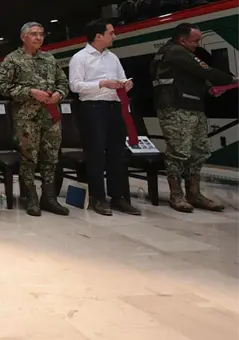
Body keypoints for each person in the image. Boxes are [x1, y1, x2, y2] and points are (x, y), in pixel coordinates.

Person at [151, 23, 236, 212]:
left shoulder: (178, 54)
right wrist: (231, 80)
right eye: (195, 41)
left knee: (199, 151)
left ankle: (194, 194)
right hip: (176, 108)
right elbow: (203, 70)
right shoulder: (174, 51)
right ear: (182, 40)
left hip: (193, 106)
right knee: (179, 152)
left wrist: (209, 88)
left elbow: (191, 76)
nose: (198, 45)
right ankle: (176, 195)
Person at [0, 22, 70, 217]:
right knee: (29, 158)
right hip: (26, 118)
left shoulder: (49, 58)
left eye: (41, 34)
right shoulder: (12, 59)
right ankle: (31, 198)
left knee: (51, 157)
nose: (38, 37)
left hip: (50, 116)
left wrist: (59, 94)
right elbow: (3, 87)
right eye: (34, 34)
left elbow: (63, 82)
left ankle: (49, 197)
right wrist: (30, 92)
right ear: (23, 37)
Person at [68, 20, 141, 216]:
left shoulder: (112, 57)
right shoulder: (80, 58)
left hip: (115, 106)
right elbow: (75, 85)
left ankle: (118, 197)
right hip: (93, 108)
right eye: (111, 33)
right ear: (98, 36)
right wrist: (101, 84)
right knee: (96, 154)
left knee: (117, 153)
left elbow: (121, 77)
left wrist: (125, 83)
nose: (114, 36)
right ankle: (98, 198)